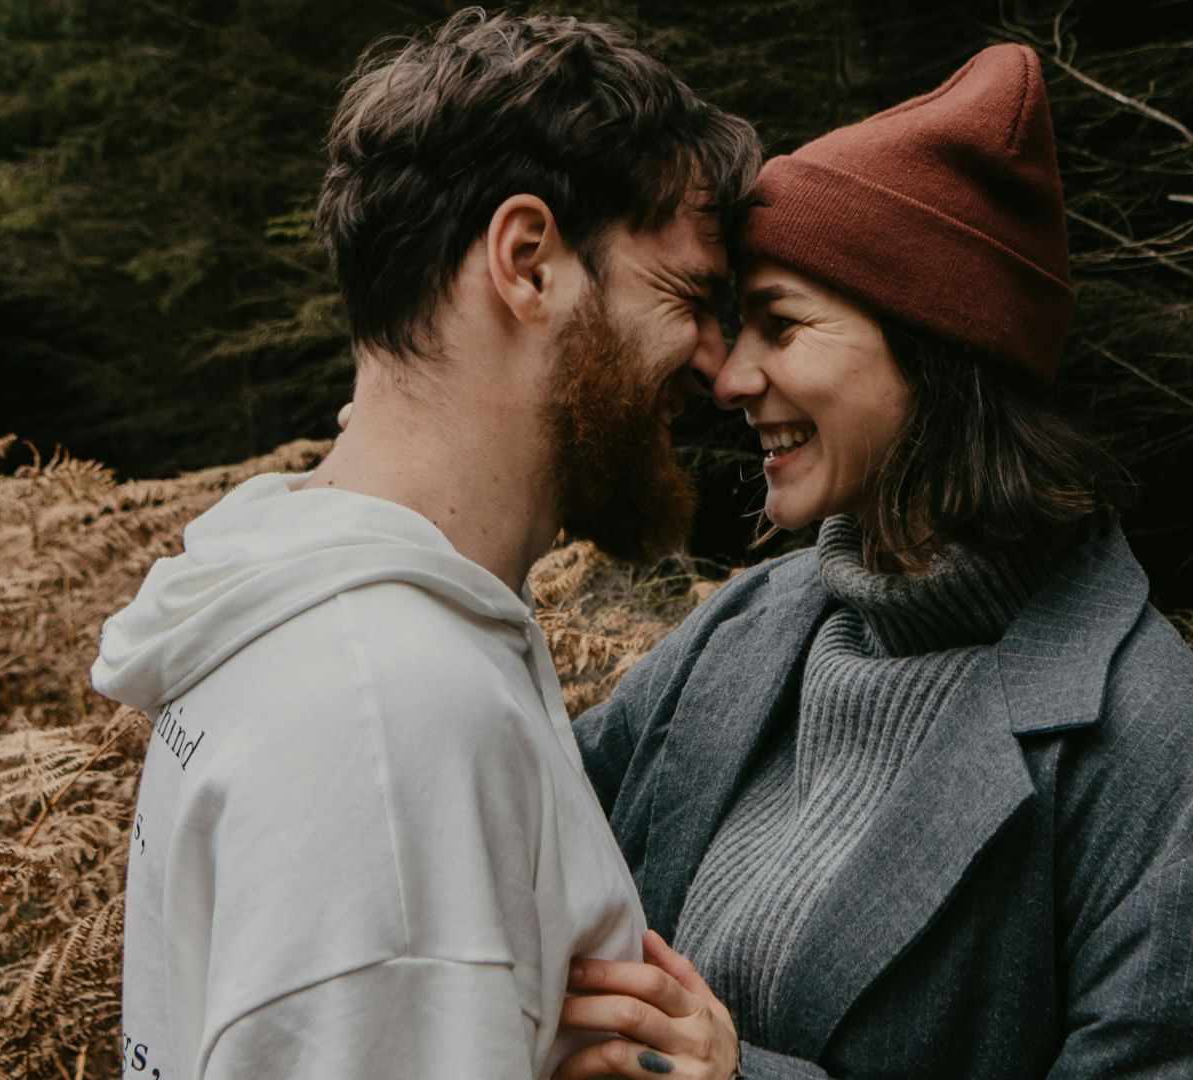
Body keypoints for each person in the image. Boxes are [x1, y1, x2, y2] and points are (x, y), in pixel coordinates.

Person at [555, 44, 1193, 1079]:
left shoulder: (1160, 777)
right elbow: (522, 851)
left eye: (780, 323)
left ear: (936, 346)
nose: (730, 375)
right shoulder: (748, 630)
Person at [90, 11, 759, 1078]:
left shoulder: (335, 623)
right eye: (685, 296)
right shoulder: (391, 716)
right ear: (529, 262)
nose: (720, 368)